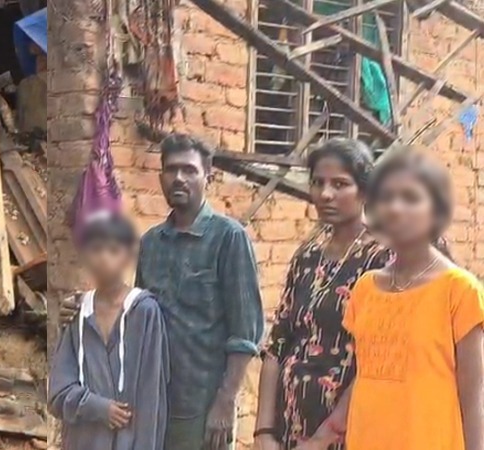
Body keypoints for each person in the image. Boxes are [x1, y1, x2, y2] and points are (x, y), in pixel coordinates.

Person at [61, 133, 264, 450]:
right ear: (160, 177)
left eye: (189, 170)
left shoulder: (229, 238)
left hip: (200, 406)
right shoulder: (152, 243)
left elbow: (245, 334)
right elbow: (138, 315)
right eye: (170, 170)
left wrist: (224, 403)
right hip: (152, 401)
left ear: (207, 174)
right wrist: (86, 307)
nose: (178, 178)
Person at [299, 151, 484, 450]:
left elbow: (474, 399)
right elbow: (367, 374)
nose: (396, 209)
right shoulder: (366, 288)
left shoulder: (460, 290)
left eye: (411, 198)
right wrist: (326, 434)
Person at [253, 139, 390, 450]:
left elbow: (379, 358)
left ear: (365, 191)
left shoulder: (384, 259)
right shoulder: (307, 257)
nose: (326, 194)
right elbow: (278, 344)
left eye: (340, 184)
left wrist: (325, 437)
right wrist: (263, 432)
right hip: (289, 428)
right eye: (318, 183)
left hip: (352, 430)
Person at [48, 213, 169, 450]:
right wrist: (99, 408)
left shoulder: (145, 312)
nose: (104, 258)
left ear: (129, 256)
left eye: (113, 250)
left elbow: (152, 399)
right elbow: (58, 393)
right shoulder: (77, 313)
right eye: (96, 249)